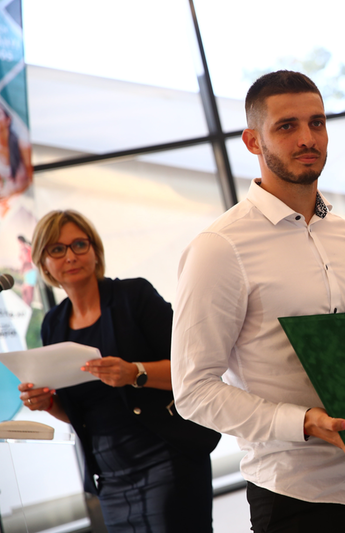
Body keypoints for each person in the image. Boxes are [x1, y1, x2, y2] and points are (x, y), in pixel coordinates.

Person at [170, 70, 345, 533]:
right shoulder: (220, 248)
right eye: (286, 126)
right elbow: (193, 391)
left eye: (317, 123)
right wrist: (304, 422)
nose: (307, 138)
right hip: (299, 495)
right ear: (253, 140)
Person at [19, 209, 219, 533]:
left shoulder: (134, 296)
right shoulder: (53, 324)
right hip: (110, 477)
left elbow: (193, 369)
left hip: (166, 458)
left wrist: (134, 373)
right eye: (57, 249)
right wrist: (47, 403)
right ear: (43, 264)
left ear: (95, 251)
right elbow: (80, 412)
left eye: (79, 245)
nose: (70, 256)